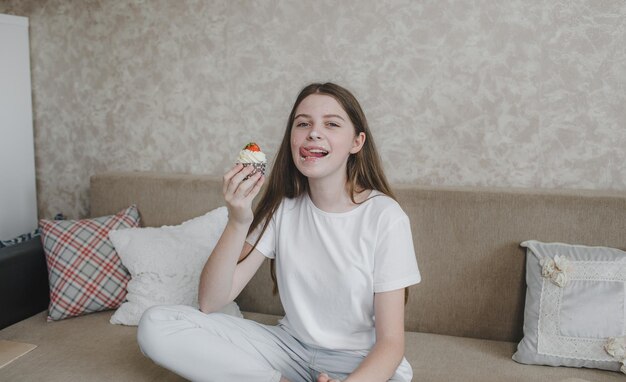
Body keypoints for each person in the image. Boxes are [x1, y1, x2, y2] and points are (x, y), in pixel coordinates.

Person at [137, 83, 421, 382]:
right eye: (303, 123)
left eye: (332, 124)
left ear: (356, 142)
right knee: (156, 324)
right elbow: (211, 301)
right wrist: (238, 220)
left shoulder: (385, 217)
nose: (313, 132)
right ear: (292, 139)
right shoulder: (283, 209)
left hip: (359, 363)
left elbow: (391, 344)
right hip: (289, 351)